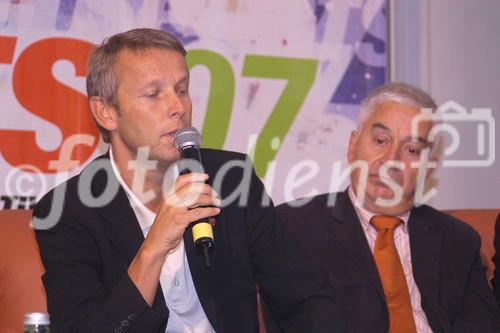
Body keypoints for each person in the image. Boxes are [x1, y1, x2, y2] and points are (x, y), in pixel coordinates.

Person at [32, 28, 344, 333]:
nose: (179, 107)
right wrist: (154, 246)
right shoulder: (66, 212)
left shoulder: (231, 178)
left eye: (182, 90)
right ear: (106, 112)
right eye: (153, 94)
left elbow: (305, 297)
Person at [277, 82, 500, 332]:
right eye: (381, 140)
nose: (391, 160)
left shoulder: (458, 241)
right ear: (353, 146)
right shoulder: (294, 227)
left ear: (428, 169)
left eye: (411, 150)